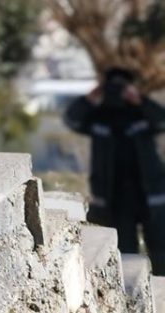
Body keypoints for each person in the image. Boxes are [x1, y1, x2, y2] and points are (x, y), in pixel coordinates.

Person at [64, 67, 165, 275]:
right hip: (115, 199)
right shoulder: (98, 118)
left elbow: (162, 120)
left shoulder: (142, 115)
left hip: (151, 194)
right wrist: (92, 97)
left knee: (161, 249)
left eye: (123, 87)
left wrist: (140, 100)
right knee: (124, 254)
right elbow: (71, 120)